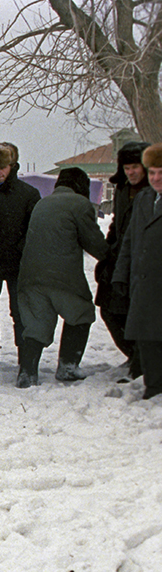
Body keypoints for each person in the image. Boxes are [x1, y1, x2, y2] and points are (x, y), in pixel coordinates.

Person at [15, 168, 109, 387]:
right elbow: (93, 241)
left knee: (36, 323)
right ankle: (68, 367)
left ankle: (27, 372)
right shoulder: (79, 204)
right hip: (63, 276)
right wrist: (113, 255)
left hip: (31, 274)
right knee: (81, 312)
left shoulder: (42, 203)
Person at [0, 142, 41, 365]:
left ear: (12, 165)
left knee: (20, 312)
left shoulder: (28, 194)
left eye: (3, 167)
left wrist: (20, 249)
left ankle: (25, 358)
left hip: (18, 263)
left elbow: (34, 229)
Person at [95, 140, 150, 379]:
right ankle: (134, 355)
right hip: (120, 258)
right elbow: (117, 225)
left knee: (140, 313)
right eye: (127, 168)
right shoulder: (121, 189)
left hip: (146, 261)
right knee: (109, 309)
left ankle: (143, 361)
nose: (131, 172)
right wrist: (108, 254)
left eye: (135, 167)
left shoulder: (153, 191)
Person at [112, 142, 162, 399]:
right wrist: (121, 275)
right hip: (142, 282)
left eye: (160, 173)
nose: (155, 178)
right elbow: (129, 242)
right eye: (152, 172)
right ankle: (153, 387)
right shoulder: (143, 199)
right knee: (147, 338)